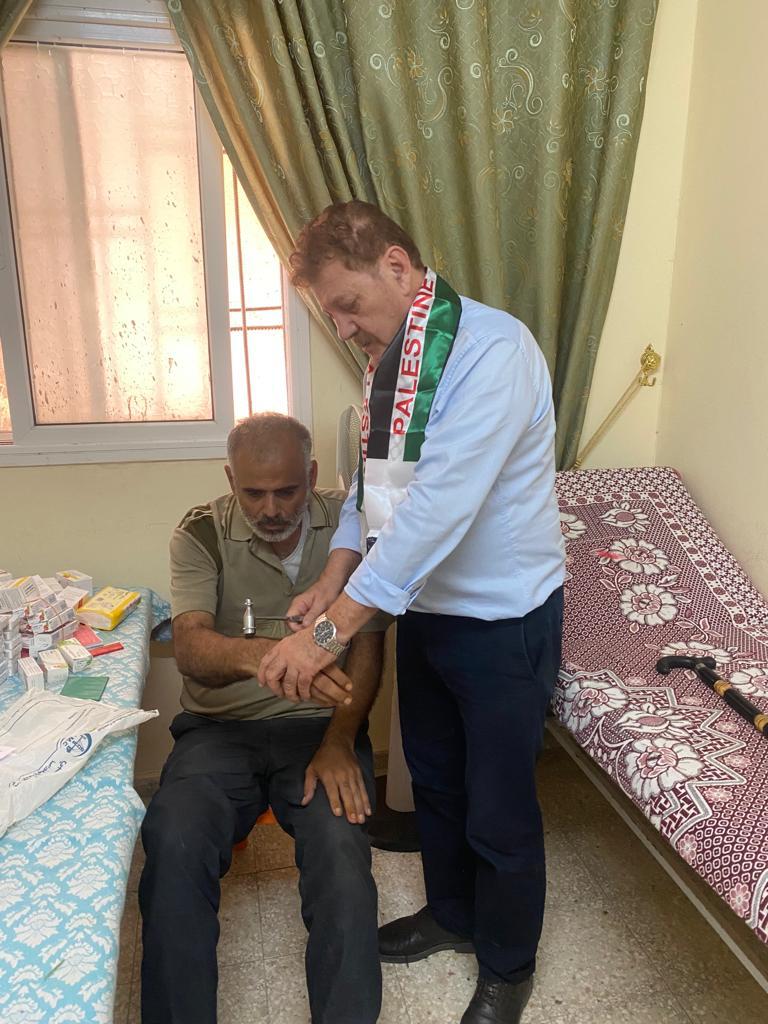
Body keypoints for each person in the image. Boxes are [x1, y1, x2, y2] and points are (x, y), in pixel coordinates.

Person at [257, 202, 566, 1024]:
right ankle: (453, 915)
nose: (344, 327)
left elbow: (433, 515)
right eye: (332, 314)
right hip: (427, 612)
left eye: (348, 304)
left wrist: (329, 634)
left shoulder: (493, 354)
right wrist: (332, 577)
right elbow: (372, 491)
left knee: (499, 808)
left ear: (396, 266)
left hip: (502, 623)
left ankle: (507, 965)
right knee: (435, 780)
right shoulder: (394, 364)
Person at [138, 413, 386, 1024]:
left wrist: (340, 741)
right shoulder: (201, 532)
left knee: (341, 845)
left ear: (312, 474)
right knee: (174, 838)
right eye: (253, 493)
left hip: (320, 731)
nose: (271, 509)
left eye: (287, 491)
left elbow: (368, 646)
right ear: (230, 480)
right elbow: (191, 649)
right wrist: (271, 658)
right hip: (219, 732)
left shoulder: (351, 528)